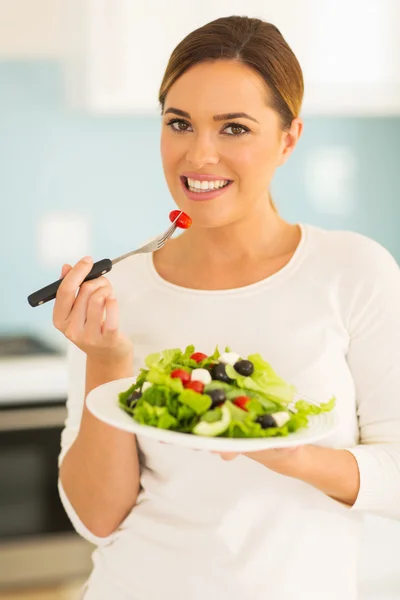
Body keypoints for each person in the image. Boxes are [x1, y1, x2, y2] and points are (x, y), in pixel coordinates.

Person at [54, 16, 400, 600]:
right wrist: (107, 360)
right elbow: (96, 520)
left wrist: (294, 455)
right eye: (179, 123)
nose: (199, 154)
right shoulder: (121, 292)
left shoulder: (353, 270)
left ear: (289, 138)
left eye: (234, 128)